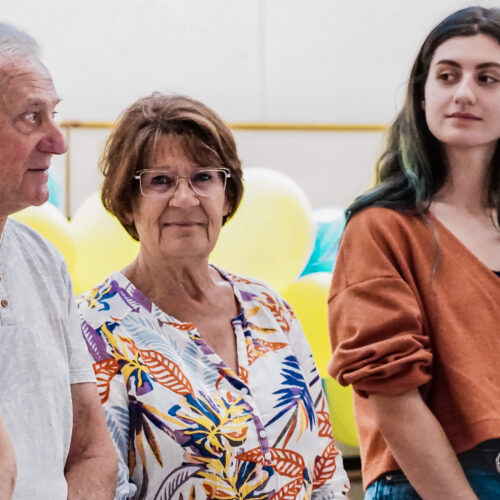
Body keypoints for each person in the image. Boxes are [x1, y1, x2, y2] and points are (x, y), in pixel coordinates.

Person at [77, 93, 350, 499]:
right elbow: (102, 485)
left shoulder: (269, 308)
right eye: (160, 181)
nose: (185, 198)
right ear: (128, 202)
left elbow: (325, 468)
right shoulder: (95, 328)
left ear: (227, 195)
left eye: (203, 177)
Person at [328, 6, 500, 500]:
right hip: (431, 482)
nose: (464, 92)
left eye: (487, 78)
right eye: (447, 75)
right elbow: (394, 398)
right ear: (423, 93)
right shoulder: (381, 227)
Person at [0, 23, 117, 498]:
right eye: (32, 117)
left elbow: (92, 452)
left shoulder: (44, 263)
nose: (58, 141)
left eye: (54, 114)